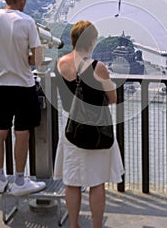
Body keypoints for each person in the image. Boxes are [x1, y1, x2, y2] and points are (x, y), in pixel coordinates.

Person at [53, 20, 124, 228]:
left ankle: (74, 224)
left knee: (72, 182)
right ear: (91, 41)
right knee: (96, 183)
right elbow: (112, 98)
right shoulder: (98, 67)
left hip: (72, 130)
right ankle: (96, 226)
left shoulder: (61, 64)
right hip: (97, 131)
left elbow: (66, 101)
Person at [0, 0, 46, 196]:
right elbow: (36, 59)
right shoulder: (27, 22)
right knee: (22, 133)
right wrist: (24, 56)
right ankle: (19, 180)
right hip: (23, 85)